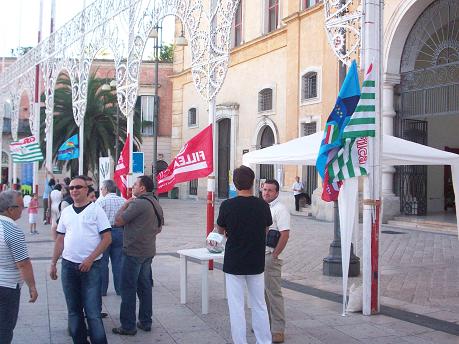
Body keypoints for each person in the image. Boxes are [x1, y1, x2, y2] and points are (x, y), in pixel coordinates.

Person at [50, 176, 112, 344]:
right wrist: (53, 263)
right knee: (73, 311)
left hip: (91, 267)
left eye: (78, 187)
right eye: (71, 188)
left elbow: (107, 238)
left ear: (86, 190)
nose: (74, 190)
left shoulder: (96, 210)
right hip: (68, 267)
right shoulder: (67, 211)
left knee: (92, 313)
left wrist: (90, 259)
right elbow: (60, 239)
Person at [216, 166, 272, 344]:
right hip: (256, 260)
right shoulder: (263, 205)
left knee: (236, 307)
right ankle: (264, 341)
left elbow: (220, 229)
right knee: (259, 305)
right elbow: (266, 230)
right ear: (253, 182)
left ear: (235, 183)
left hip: (234, 261)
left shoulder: (227, 205)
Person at [112, 175, 163, 336]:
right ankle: (146, 321)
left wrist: (126, 204)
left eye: (135, 184)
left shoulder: (138, 203)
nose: (132, 186)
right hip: (148, 251)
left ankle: (128, 326)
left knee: (128, 288)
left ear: (142, 188)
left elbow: (118, 221)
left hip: (134, 252)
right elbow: (159, 227)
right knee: (145, 287)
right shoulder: (155, 202)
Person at [0, 190, 38, 343]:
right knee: (4, 327)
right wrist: (32, 287)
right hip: (7, 286)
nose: (23, 209)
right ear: (10, 209)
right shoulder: (12, 230)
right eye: (21, 206)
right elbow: (23, 263)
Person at [262, 179, 290, 343]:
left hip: (270, 256)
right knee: (262, 293)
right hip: (259, 256)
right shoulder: (262, 207)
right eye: (265, 189)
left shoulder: (280, 209)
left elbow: (285, 234)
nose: (266, 193)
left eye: (270, 190)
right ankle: (265, 324)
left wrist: (274, 256)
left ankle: (278, 329)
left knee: (274, 294)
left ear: (277, 193)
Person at [96, 180, 125, 296]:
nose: (101, 191)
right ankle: (119, 289)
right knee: (118, 262)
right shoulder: (124, 201)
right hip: (119, 231)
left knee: (103, 262)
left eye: (102, 189)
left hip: (105, 233)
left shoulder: (101, 202)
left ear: (106, 189)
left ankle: (102, 290)